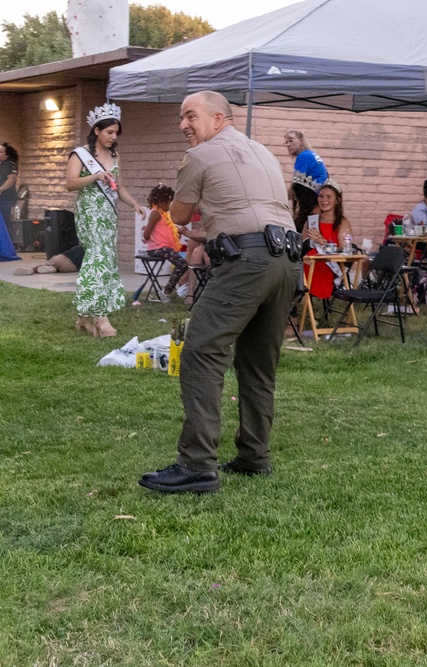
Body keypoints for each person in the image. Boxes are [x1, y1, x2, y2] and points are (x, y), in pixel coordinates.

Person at [139, 90, 300, 494]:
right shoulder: (263, 152)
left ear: (218, 118)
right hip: (288, 260)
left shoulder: (200, 156)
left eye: (190, 116)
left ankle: (196, 466)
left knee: (201, 352)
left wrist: (200, 218)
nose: (182, 125)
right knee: (259, 363)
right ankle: (253, 455)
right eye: (181, 117)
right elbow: (250, 207)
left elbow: (177, 213)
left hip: (247, 262)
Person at [66, 103, 145, 338]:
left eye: (116, 133)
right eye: (109, 132)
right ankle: (100, 317)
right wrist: (95, 176)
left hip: (109, 217)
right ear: (97, 131)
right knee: (97, 260)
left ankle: (83, 317)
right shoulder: (80, 154)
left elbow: (119, 187)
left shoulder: (114, 155)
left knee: (106, 261)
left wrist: (134, 204)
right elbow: (70, 184)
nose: (113, 137)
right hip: (90, 213)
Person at [302, 181, 354, 300]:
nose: (324, 200)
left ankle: (295, 310)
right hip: (307, 262)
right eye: (321, 196)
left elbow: (345, 251)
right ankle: (293, 312)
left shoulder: (342, 223)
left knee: (298, 278)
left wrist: (323, 242)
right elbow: (301, 246)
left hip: (328, 266)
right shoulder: (312, 220)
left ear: (337, 200)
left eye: (329, 197)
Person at [141, 184, 188, 300]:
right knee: (182, 263)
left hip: (164, 248)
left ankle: (168, 289)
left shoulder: (165, 215)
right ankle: (167, 291)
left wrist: (179, 232)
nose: (171, 205)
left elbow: (166, 232)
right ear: (161, 201)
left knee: (182, 263)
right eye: (169, 202)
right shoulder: (155, 214)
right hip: (156, 248)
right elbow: (146, 235)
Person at [284, 129, 329, 231]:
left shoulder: (303, 156)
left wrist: (282, 198)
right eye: (286, 142)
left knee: (300, 225)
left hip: (311, 196)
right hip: (320, 194)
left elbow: (296, 183)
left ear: (300, 142)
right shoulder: (310, 154)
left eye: (291, 141)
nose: (287, 145)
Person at [13, 245, 85, 275]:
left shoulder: (79, 247)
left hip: (60, 258)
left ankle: (31, 270)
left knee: (49, 264)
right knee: (56, 269)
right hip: (70, 267)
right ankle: (52, 269)